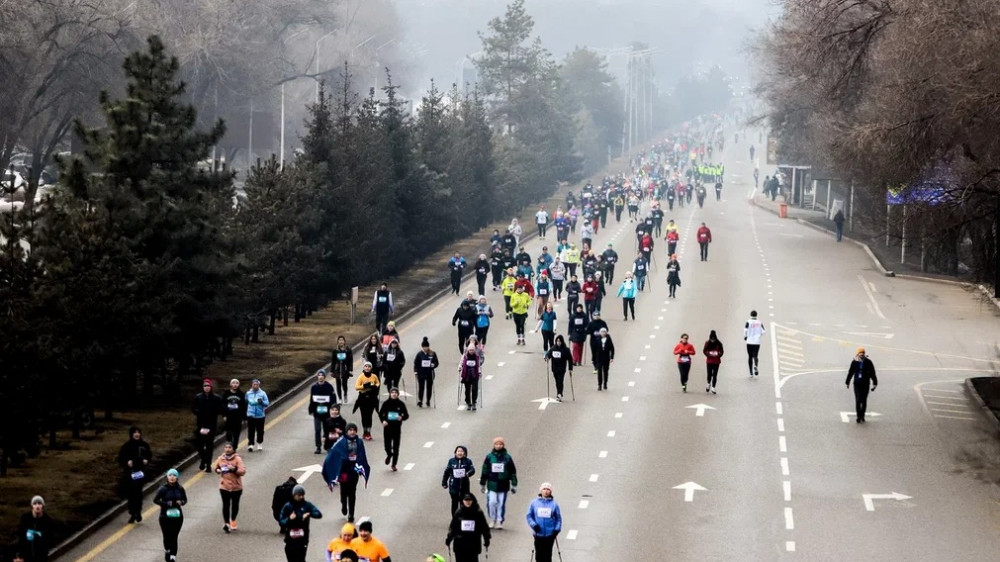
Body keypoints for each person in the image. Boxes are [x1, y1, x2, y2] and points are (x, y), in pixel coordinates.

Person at [322, 423, 371, 523]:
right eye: (350, 430)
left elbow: (362, 455)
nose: (352, 432)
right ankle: (344, 504)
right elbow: (334, 454)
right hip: (343, 471)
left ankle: (351, 514)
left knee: (352, 492)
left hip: (353, 471)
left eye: (354, 430)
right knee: (344, 491)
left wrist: (360, 465)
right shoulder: (341, 442)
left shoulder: (360, 442)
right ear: (347, 431)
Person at [480, 437, 517, 529]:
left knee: (501, 503)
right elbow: (485, 470)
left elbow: (512, 471)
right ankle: (492, 519)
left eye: (500, 444)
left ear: (503, 445)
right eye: (496, 444)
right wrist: (483, 483)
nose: (498, 446)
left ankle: (499, 521)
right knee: (492, 502)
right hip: (492, 484)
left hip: (503, 485)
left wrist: (514, 484)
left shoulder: (507, 457)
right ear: (494, 445)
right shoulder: (489, 457)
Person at [280, 485, 323, 562]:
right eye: (299, 495)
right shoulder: (288, 506)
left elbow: (319, 514)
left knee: (300, 559)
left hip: (302, 539)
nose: (301, 497)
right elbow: (281, 521)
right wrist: (289, 519)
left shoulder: (307, 505)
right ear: (294, 495)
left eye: (302, 495)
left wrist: (309, 514)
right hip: (290, 539)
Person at [118, 426, 152, 523]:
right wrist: (127, 462)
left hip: (140, 472)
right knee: (130, 493)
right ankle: (132, 512)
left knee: (138, 493)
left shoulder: (144, 445)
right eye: (135, 432)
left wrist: (146, 461)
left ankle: (138, 511)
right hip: (130, 473)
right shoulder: (126, 446)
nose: (137, 434)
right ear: (131, 434)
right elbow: (121, 458)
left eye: (138, 432)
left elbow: (149, 455)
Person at [153, 469, 187, 562]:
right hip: (165, 516)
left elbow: (185, 500)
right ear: (167, 477)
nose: (172, 477)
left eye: (174, 475)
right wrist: (166, 504)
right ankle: (167, 550)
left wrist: (182, 502)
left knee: (174, 536)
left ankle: (173, 556)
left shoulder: (180, 488)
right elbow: (155, 500)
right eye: (170, 475)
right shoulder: (162, 489)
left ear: (177, 477)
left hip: (177, 517)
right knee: (167, 536)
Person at [446, 493, 491, 562]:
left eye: (469, 500)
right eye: (466, 500)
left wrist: (487, 538)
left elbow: (484, 527)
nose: (468, 502)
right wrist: (449, 538)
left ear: (473, 501)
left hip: (473, 544)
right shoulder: (459, 513)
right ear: (463, 501)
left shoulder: (478, 513)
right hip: (460, 544)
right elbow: (453, 527)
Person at [214, 441, 247, 533]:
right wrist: (218, 470)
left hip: (236, 486)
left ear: (233, 449)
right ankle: (226, 523)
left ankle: (233, 520)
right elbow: (216, 467)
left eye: (229, 447)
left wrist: (234, 469)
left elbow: (243, 471)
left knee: (235, 505)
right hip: (224, 486)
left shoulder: (237, 459)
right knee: (226, 505)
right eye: (226, 447)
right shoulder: (221, 458)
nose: (227, 449)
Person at [526, 483, 562, 562]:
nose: (546, 491)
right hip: (538, 534)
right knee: (538, 556)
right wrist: (534, 525)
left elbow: (558, 519)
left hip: (550, 534)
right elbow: (529, 516)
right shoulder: (534, 503)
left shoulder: (554, 505)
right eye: (544, 489)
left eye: (548, 489)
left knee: (547, 555)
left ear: (551, 492)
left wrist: (556, 529)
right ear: (541, 491)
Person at [192, 379, 222, 472]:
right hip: (201, 424)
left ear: (211, 387)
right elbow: (193, 408)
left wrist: (213, 412)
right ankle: (203, 459)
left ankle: (208, 464)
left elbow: (220, 409)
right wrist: (199, 412)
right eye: (205, 386)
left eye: (208, 386)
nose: (206, 388)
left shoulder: (216, 398)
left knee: (209, 445)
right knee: (199, 445)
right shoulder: (198, 397)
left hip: (211, 425)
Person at [378, 388, 409, 471]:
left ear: (398, 394)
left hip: (396, 428)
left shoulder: (401, 404)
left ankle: (394, 464)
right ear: (390, 394)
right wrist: (383, 420)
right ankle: (389, 454)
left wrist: (401, 417)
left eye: (395, 393)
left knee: (396, 447)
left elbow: (406, 415)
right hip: (387, 427)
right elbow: (381, 413)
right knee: (387, 445)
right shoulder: (386, 403)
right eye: (392, 392)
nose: (394, 394)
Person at [443, 445, 477, 516]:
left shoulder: (468, 461)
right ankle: (454, 520)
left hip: (464, 485)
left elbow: (473, 470)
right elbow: (447, 472)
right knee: (454, 503)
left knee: (464, 503)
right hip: (454, 485)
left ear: (464, 453)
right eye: (458, 451)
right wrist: (444, 482)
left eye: (461, 451)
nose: (460, 453)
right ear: (455, 452)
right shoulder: (451, 461)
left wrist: (468, 473)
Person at [846, 348, 878, 423]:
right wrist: (847, 382)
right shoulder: (854, 362)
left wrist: (875, 383)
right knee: (858, 400)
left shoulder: (868, 362)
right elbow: (850, 372)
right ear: (857, 354)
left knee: (864, 400)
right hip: (857, 384)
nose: (862, 354)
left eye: (863, 353)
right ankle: (858, 416)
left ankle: (862, 415)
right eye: (860, 353)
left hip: (866, 384)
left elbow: (872, 373)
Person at [17, 496, 52, 562]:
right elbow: (21, 537)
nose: (37, 506)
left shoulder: (47, 520)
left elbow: (49, 538)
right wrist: (19, 555)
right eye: (35, 504)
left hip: (41, 556)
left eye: (39, 503)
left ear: (43, 505)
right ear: (32, 506)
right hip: (27, 555)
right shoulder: (25, 518)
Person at [310, 371, 337, 454]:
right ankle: (318, 446)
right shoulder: (314, 387)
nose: (320, 377)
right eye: (319, 375)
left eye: (322, 375)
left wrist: (333, 409)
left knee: (327, 430)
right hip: (317, 413)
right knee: (317, 430)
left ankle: (328, 446)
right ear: (317, 377)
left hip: (327, 413)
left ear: (325, 377)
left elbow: (333, 399)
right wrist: (311, 409)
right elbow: (312, 399)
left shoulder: (329, 387)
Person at [354, 362, 381, 440]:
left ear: (371, 368)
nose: (367, 368)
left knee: (369, 416)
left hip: (372, 398)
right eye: (366, 366)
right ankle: (364, 431)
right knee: (364, 416)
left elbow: (378, 384)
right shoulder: (361, 377)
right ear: (363, 368)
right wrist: (364, 386)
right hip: (363, 398)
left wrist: (374, 386)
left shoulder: (374, 376)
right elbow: (356, 387)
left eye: (369, 366)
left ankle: (368, 432)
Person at [544, 335, 573, 401]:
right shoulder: (553, 348)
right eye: (557, 341)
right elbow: (548, 354)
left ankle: (559, 394)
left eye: (560, 341)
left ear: (562, 342)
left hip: (562, 368)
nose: (558, 343)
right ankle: (559, 393)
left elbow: (570, 359)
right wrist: (547, 358)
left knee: (560, 381)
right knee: (557, 381)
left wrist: (570, 368)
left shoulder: (566, 350)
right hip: (554, 368)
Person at [413, 337, 439, 408]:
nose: (425, 348)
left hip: (429, 373)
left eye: (426, 347)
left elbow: (436, 362)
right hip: (421, 373)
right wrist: (415, 371)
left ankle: (428, 400)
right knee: (421, 387)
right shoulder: (419, 354)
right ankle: (420, 400)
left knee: (429, 387)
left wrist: (434, 365)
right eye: (424, 347)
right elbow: (416, 363)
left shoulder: (432, 353)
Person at [221, 378, 246, 448]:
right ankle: (229, 445)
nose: (235, 385)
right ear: (230, 384)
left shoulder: (241, 394)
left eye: (237, 383)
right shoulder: (226, 394)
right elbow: (223, 405)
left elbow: (244, 406)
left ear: (239, 385)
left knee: (236, 434)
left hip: (238, 417)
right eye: (233, 383)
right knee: (229, 433)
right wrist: (224, 415)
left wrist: (244, 417)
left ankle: (234, 447)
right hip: (228, 416)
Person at [246, 379, 270, 452]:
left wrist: (261, 402)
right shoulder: (248, 393)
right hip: (250, 414)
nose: (255, 386)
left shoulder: (262, 393)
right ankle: (251, 444)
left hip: (260, 415)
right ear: (252, 385)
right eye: (254, 384)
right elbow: (245, 402)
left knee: (260, 430)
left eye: (257, 385)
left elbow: (267, 403)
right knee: (251, 430)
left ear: (259, 385)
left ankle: (259, 443)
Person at [331, 336, 354, 405]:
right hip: (337, 369)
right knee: (338, 384)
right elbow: (333, 361)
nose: (341, 341)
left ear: (344, 341)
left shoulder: (348, 350)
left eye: (342, 340)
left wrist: (350, 369)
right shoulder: (335, 351)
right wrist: (332, 370)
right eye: (339, 340)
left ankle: (345, 394)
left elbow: (350, 360)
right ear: (337, 341)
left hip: (345, 368)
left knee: (344, 384)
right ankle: (340, 398)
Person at [459, 345, 483, 411]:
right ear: (468, 350)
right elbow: (461, 363)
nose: (471, 351)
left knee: (474, 389)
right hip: (467, 375)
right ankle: (469, 403)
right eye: (470, 350)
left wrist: (480, 372)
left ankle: (474, 402)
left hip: (474, 375)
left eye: (472, 350)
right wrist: (460, 367)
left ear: (474, 350)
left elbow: (478, 366)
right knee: (467, 389)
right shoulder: (465, 356)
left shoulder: (476, 357)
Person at [744, 310, 766, 377]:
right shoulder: (759, 322)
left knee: (750, 356)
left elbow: (745, 330)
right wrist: (759, 335)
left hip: (749, 341)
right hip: (757, 342)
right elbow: (764, 331)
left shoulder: (748, 322)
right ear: (756, 315)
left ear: (750, 315)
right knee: (755, 355)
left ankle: (751, 372)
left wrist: (745, 337)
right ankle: (756, 365)